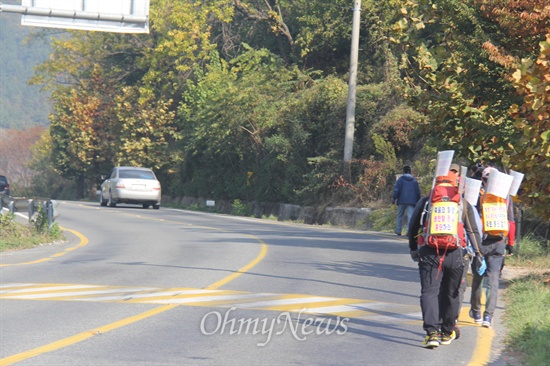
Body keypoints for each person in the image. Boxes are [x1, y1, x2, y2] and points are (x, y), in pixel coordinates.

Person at [408, 172, 482, 348]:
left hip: (429, 253)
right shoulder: (462, 204)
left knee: (429, 292)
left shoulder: (427, 202)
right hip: (455, 254)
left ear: (436, 183)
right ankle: (447, 331)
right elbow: (472, 231)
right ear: (456, 184)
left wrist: (413, 248)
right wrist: (479, 254)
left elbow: (413, 227)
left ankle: (432, 333)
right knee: (452, 293)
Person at [469, 167, 516, 328]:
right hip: (499, 243)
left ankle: (475, 310)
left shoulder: (477, 194)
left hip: (481, 242)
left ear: (483, 179)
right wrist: (511, 243)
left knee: (477, 277)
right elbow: (511, 221)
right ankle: (488, 316)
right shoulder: (505, 197)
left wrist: (472, 243)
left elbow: (472, 220)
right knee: (494, 280)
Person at [392, 165, 421, 236]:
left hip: (401, 200)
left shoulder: (400, 179)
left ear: (403, 171)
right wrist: (418, 201)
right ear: (410, 171)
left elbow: (396, 190)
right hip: (411, 202)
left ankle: (398, 230)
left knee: (399, 216)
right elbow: (418, 192)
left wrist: (394, 198)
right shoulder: (414, 181)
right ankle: (409, 231)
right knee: (410, 217)